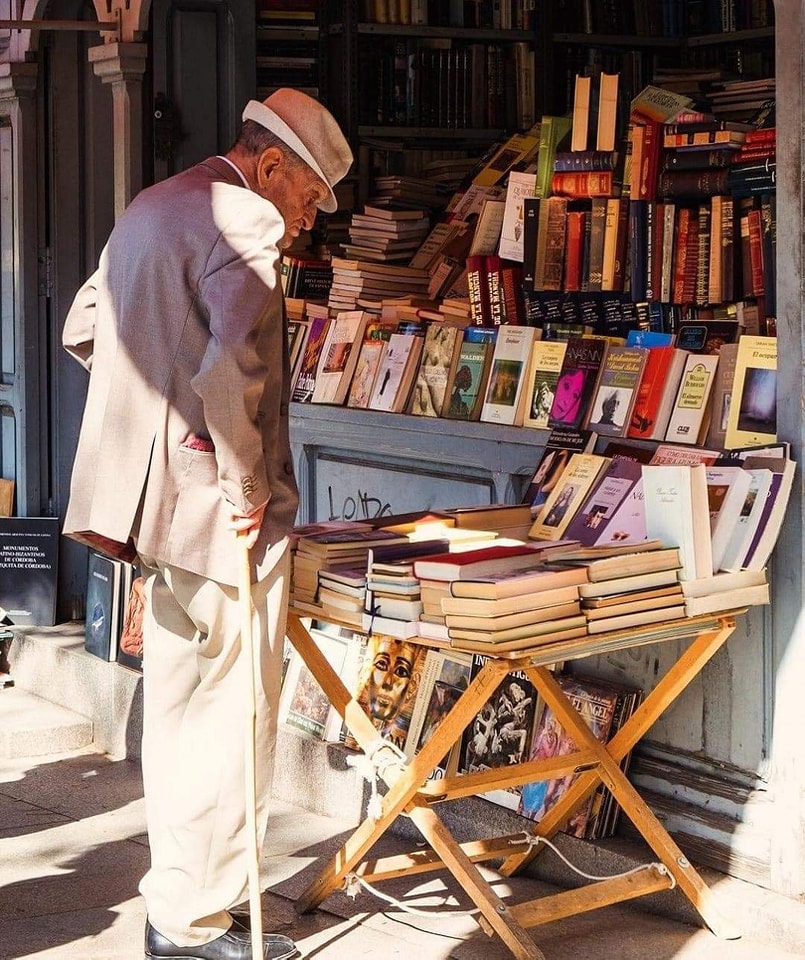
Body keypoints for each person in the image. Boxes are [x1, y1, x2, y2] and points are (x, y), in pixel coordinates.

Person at [62, 89, 352, 960]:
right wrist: (241, 487)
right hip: (222, 519)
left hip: (151, 511)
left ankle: (177, 910)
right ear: (270, 167)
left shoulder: (152, 206)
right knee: (232, 723)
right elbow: (234, 380)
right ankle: (196, 922)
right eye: (307, 198)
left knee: (185, 714)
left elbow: (86, 325)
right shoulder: (246, 224)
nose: (304, 222)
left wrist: (156, 405)